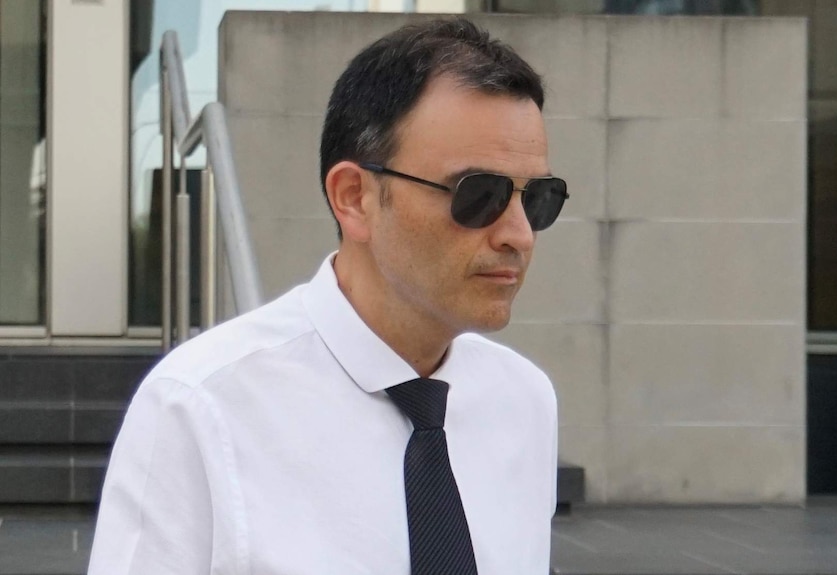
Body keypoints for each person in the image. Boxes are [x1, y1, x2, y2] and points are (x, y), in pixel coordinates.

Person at [88, 16, 567, 575]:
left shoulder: (524, 401)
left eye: (537, 199)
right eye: (478, 194)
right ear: (354, 198)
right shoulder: (199, 407)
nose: (519, 234)